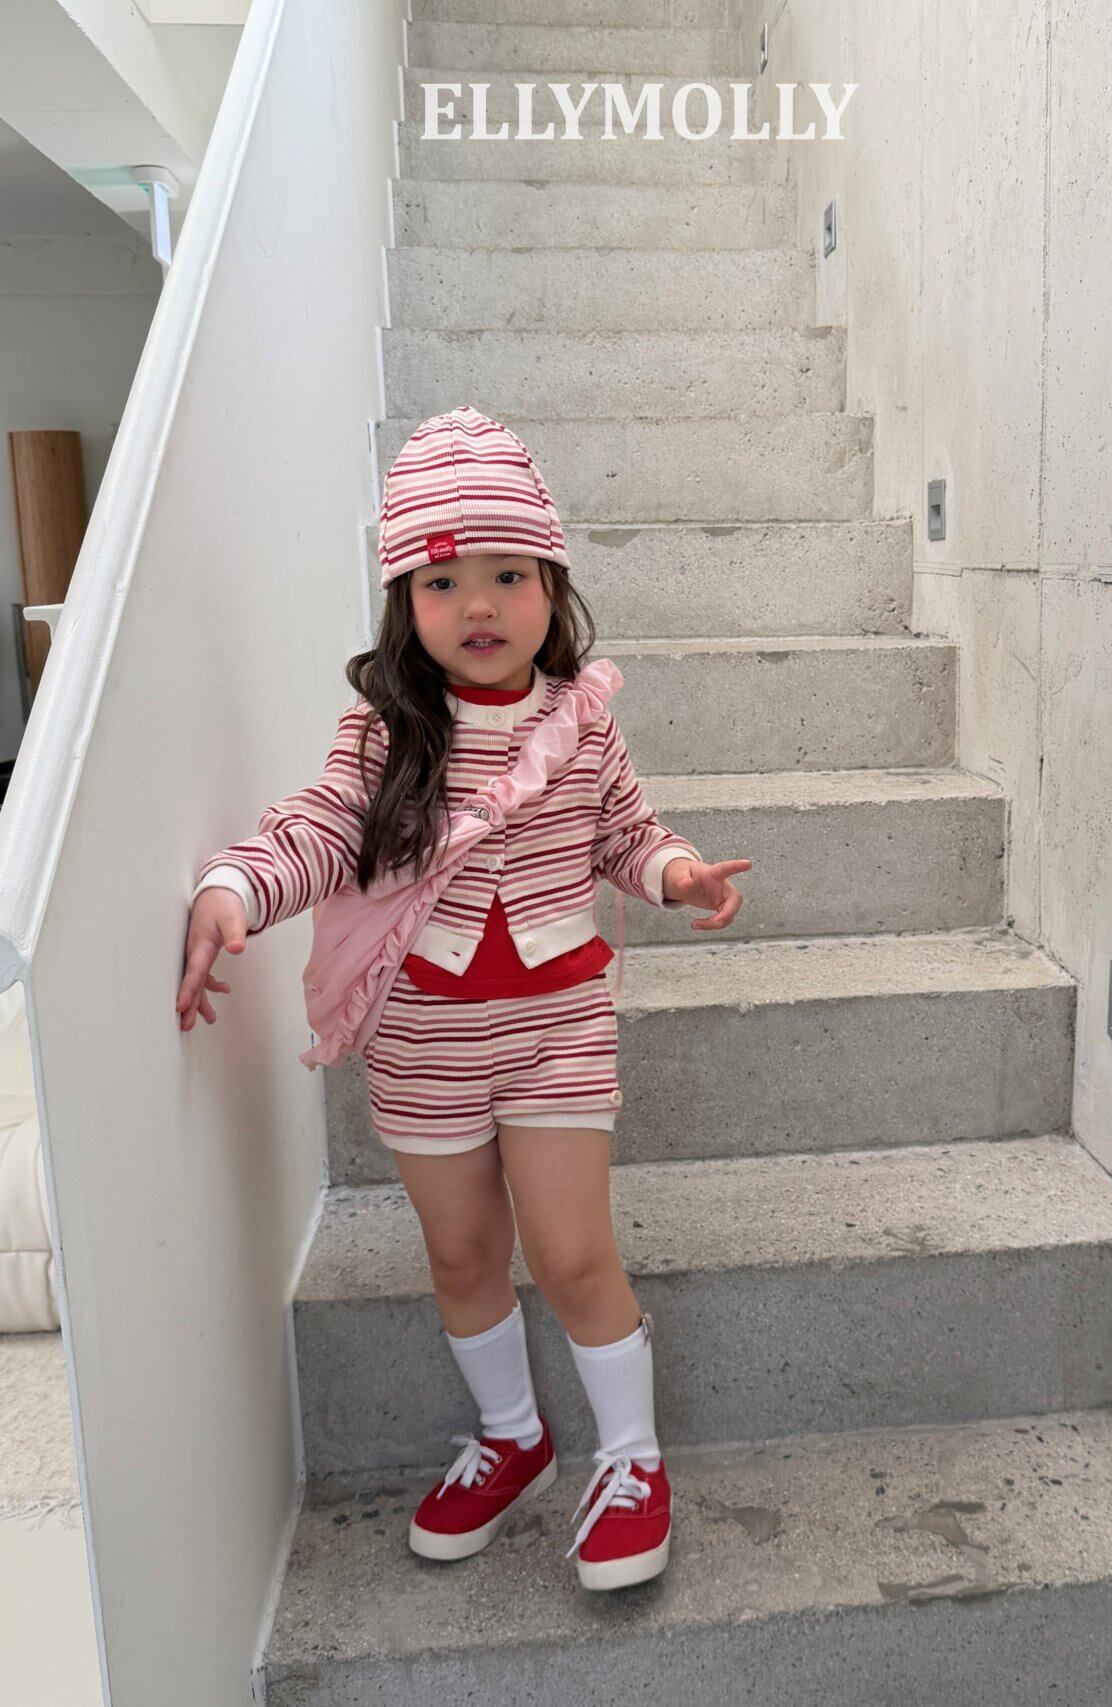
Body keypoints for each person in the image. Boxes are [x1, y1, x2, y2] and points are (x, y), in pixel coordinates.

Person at [175, 404, 751, 1592]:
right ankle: (511, 1436)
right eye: (441, 582)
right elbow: (317, 833)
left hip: (553, 1029)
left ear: (551, 586)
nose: (477, 604)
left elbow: (623, 835)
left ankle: (632, 1461)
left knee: (572, 1254)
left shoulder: (582, 724)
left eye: (506, 574)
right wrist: (234, 889)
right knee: (460, 1253)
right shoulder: (383, 732)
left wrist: (676, 873)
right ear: (406, 603)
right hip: (421, 1039)